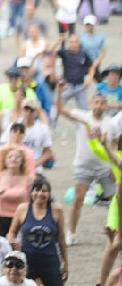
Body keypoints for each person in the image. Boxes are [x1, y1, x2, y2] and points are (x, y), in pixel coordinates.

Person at [7, 176, 75, 286]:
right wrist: (11, 242)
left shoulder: (56, 209)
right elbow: (11, 231)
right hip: (27, 265)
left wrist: (66, 262)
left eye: (44, 191)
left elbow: (61, 239)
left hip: (50, 263)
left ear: (49, 193)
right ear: (31, 192)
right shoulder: (23, 209)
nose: (40, 194)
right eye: (37, 190)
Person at [55, 84, 115, 245]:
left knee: (116, 201)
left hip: (105, 167)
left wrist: (114, 167)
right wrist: (59, 93)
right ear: (91, 103)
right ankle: (71, 233)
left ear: (106, 106)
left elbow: (114, 146)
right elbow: (61, 109)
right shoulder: (83, 117)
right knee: (77, 200)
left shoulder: (110, 123)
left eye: (102, 103)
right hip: (84, 166)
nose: (99, 105)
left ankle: (117, 233)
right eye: (96, 102)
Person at [0, 146, 33, 236]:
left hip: (22, 218)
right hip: (2, 217)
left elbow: (34, 200)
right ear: (5, 161)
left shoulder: (29, 178)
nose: (13, 159)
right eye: (10, 157)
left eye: (17, 157)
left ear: (22, 161)